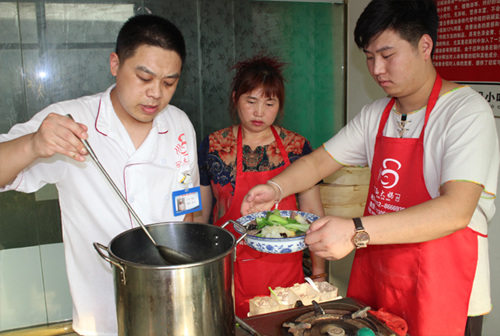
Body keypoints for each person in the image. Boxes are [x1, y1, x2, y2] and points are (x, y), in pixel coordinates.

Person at [241, 1, 499, 335]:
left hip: (443, 283)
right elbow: (319, 161)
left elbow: (455, 211)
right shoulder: (376, 114)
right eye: (369, 56)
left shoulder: (465, 113)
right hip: (381, 277)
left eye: (387, 55)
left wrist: (354, 230)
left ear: (425, 46)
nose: (376, 69)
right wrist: (275, 188)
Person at [0, 15, 199, 336]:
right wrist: (33, 145)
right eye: (144, 77)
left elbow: (186, 208)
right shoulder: (72, 121)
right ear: (115, 64)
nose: (155, 94)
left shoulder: (179, 123)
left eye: (169, 82)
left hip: (171, 309)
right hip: (101, 315)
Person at [196, 55, 325, 317]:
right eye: (251, 101)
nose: (259, 112)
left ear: (279, 105)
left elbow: (314, 214)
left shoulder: (297, 147)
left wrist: (320, 273)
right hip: (229, 267)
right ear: (235, 99)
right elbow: (202, 216)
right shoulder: (214, 146)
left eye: (269, 103)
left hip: (286, 268)